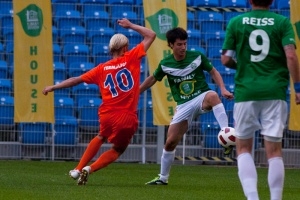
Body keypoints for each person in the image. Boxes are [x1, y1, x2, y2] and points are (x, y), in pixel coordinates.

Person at [42, 18, 156, 185]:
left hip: (107, 114)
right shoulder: (132, 57)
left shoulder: (101, 68)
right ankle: (90, 168)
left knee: (101, 136)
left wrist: (53, 87)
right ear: (125, 48)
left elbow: (75, 79)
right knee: (118, 149)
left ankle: (78, 168)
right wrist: (130, 25)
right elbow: (151, 35)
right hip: (126, 116)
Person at [221, 0, 300, 199]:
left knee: (244, 147)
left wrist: (242, 67)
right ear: (272, 0)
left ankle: (253, 197)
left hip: (246, 92)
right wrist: (298, 87)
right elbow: (291, 56)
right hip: (275, 91)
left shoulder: (236, 22)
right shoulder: (282, 22)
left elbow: (225, 59)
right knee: (274, 150)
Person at [141, 27, 234, 185]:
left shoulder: (197, 57)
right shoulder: (165, 64)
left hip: (201, 97)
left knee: (212, 95)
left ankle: (225, 134)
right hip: (183, 105)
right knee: (170, 142)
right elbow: (152, 79)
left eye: (185, 44)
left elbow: (213, 72)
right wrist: (137, 92)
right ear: (170, 45)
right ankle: (163, 178)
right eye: (179, 44)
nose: (183, 47)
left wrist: (223, 88)